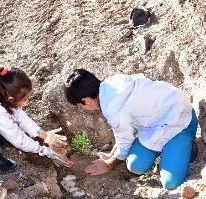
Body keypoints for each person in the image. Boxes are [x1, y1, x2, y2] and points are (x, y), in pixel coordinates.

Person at [64, 69, 198, 189]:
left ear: (86, 100)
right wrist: (111, 154)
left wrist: (109, 164)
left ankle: (187, 146)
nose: (82, 108)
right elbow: (122, 132)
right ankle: (167, 154)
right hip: (152, 126)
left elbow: (124, 139)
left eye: (80, 106)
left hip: (178, 120)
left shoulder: (113, 110)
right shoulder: (111, 84)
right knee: (135, 166)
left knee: (170, 182)